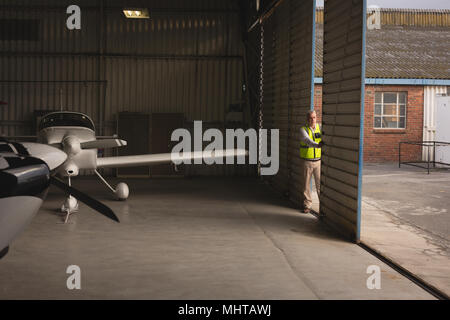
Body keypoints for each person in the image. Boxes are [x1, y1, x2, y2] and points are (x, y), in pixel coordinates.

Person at [299, 110, 323, 213]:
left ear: (316, 118)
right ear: (307, 119)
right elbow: (307, 140)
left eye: (314, 117)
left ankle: (323, 206)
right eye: (310, 118)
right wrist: (317, 145)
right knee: (306, 186)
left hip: (318, 161)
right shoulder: (302, 129)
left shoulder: (320, 128)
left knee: (320, 185)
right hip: (307, 161)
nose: (312, 120)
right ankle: (307, 205)